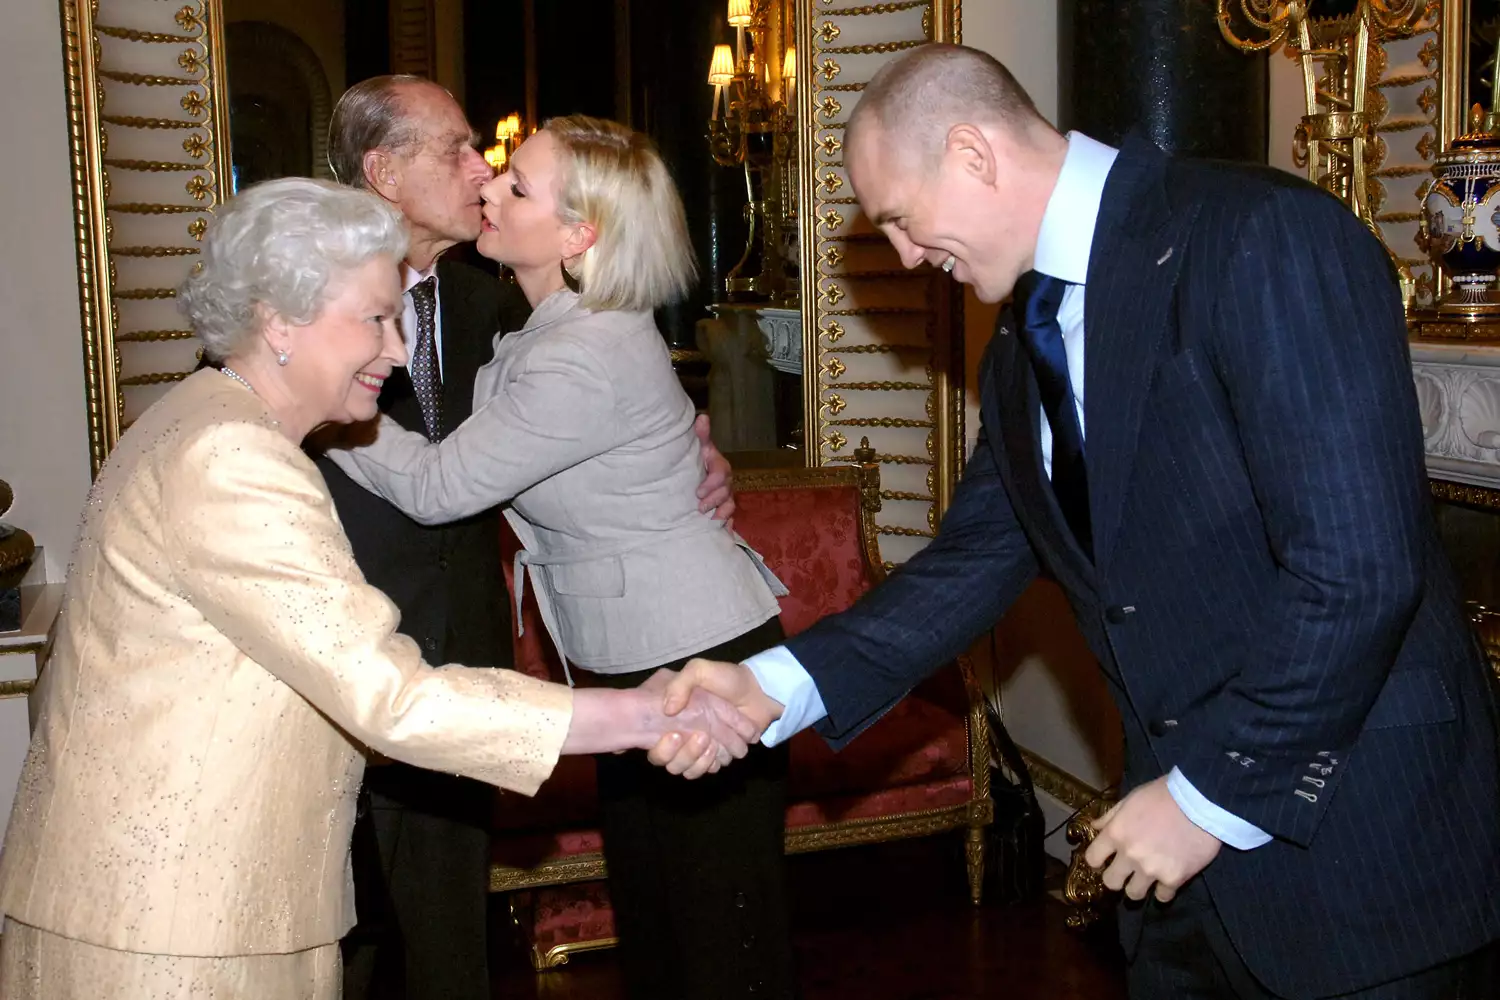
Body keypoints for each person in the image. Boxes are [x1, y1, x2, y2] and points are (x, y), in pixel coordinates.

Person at [665, 43, 1500, 1000]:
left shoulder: (1260, 234)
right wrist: (774, 687)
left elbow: (1361, 566)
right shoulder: (1022, 347)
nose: (901, 256)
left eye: (899, 218)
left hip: (1360, 847)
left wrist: (1210, 797)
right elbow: (979, 556)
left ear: (973, 154)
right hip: (1177, 867)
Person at [0, 178, 754, 1000]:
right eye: (375, 319)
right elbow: (390, 698)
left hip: (170, 904)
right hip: (178, 930)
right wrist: (644, 714)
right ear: (279, 320)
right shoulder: (231, 459)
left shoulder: (202, 417)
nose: (397, 351)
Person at [328, 115, 797, 1000]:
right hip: (630, 662)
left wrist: (320, 401)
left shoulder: (583, 350)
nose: (489, 187)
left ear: (579, 236)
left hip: (694, 657)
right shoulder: (544, 326)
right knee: (661, 928)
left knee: (724, 943)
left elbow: (437, 488)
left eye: (518, 186)